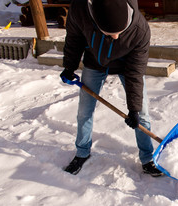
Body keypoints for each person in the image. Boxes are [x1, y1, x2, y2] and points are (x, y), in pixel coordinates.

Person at [60, 0, 162, 177]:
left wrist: (134, 109)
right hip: (94, 61)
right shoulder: (80, 9)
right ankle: (82, 152)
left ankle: (147, 158)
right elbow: (74, 38)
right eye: (110, 32)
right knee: (84, 111)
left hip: (126, 66)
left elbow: (135, 74)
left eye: (120, 32)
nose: (115, 37)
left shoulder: (140, 29)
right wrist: (69, 66)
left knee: (142, 114)